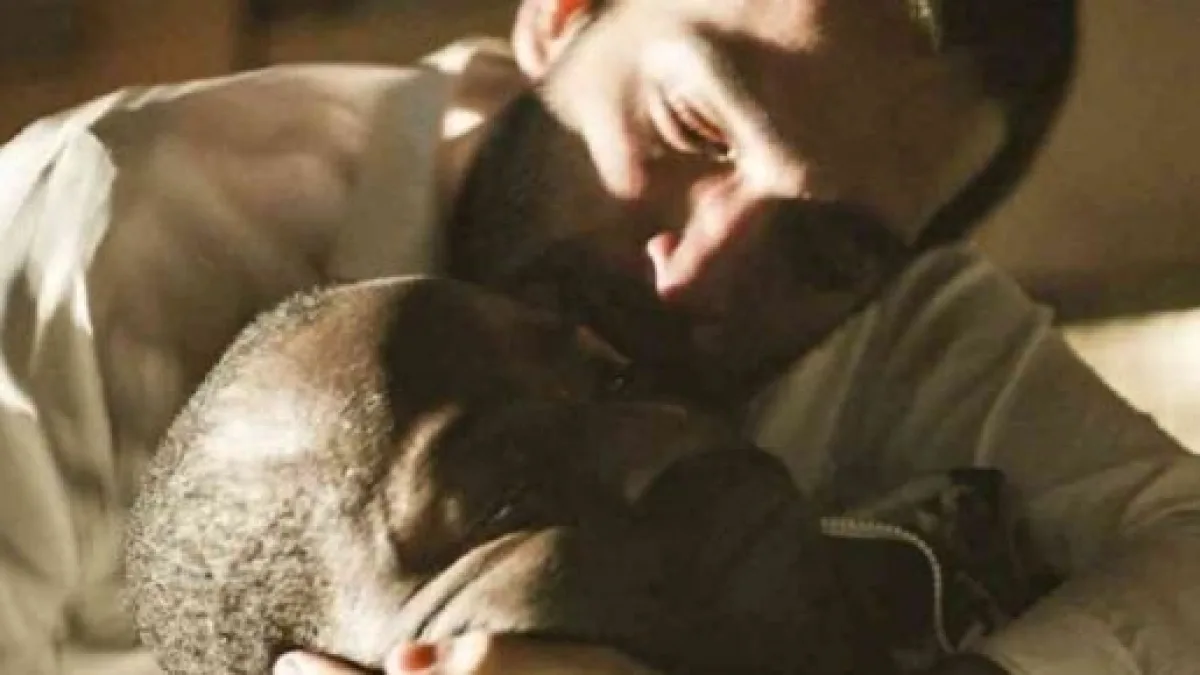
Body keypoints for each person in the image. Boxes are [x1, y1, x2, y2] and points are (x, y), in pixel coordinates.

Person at [0, 0, 1196, 674]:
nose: (693, 275)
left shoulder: (891, 309)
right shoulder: (108, 224)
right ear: (562, 16)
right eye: (695, 129)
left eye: (824, 247)